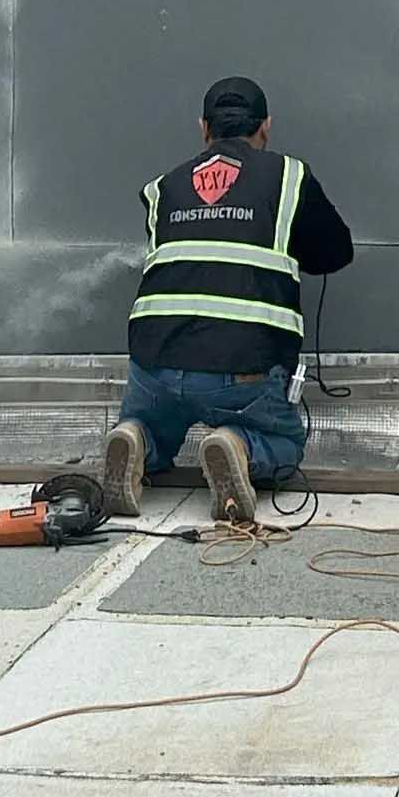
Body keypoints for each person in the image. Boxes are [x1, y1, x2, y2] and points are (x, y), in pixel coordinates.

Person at [103, 76, 354, 522]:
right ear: (266, 127)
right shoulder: (288, 177)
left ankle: (136, 436)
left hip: (154, 365)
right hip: (241, 371)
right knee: (285, 446)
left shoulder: (162, 188)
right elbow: (336, 253)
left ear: (204, 128)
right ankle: (239, 445)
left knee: (157, 424)